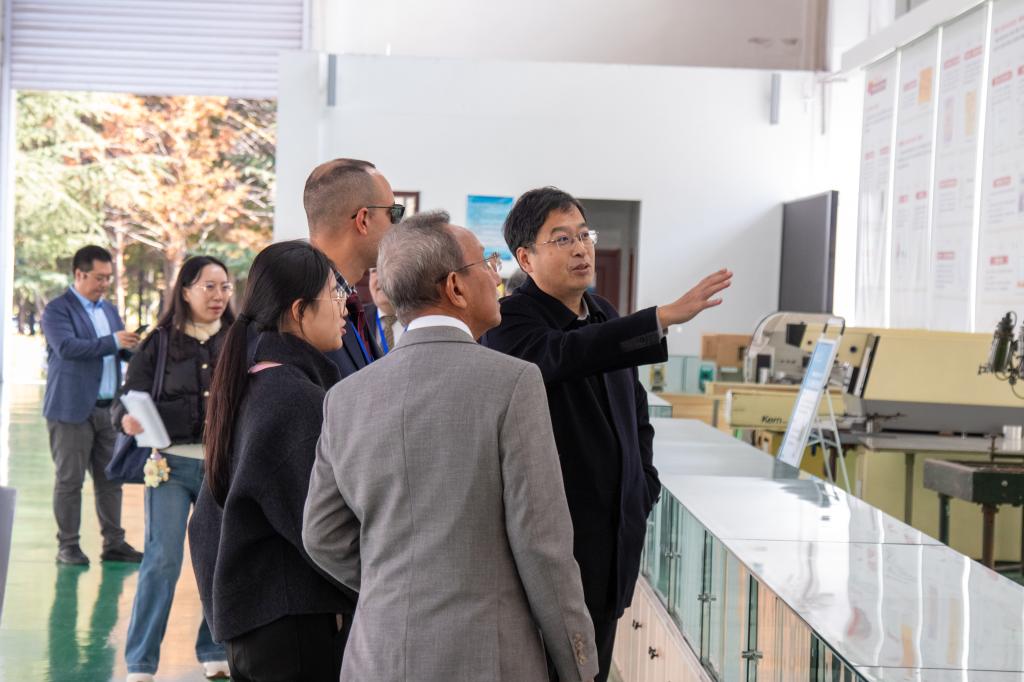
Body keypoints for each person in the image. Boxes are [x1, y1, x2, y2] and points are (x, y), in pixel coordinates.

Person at [302, 211, 599, 682]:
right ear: (456, 287)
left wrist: (395, 584)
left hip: (377, 654)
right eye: (488, 265)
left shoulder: (346, 397)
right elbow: (543, 547)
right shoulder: (512, 383)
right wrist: (579, 665)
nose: (497, 278)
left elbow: (321, 533)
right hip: (487, 655)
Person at [482, 187, 733, 682]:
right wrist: (659, 318)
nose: (581, 249)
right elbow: (563, 355)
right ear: (526, 258)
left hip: (613, 546)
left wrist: (643, 485)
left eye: (584, 235)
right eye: (562, 239)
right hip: (550, 555)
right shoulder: (510, 322)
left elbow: (636, 413)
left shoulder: (604, 314)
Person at [188, 240, 354, 682]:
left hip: (260, 621)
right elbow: (321, 530)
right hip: (294, 626)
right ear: (299, 311)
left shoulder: (256, 380)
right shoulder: (293, 399)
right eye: (335, 293)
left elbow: (205, 522)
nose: (345, 305)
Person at [111, 256, 234, 682]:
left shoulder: (239, 340)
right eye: (208, 286)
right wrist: (126, 420)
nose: (219, 296)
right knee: (162, 559)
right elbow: (126, 397)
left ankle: (215, 648)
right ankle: (140, 662)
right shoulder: (159, 342)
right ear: (185, 290)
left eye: (224, 287)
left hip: (221, 469)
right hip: (168, 467)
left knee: (219, 561)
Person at [41, 245, 143, 566]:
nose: (104, 284)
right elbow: (67, 348)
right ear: (79, 274)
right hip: (70, 410)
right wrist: (114, 341)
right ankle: (68, 546)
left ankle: (115, 543)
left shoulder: (109, 310)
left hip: (107, 411)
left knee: (111, 480)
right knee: (70, 481)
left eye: (108, 278)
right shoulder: (57, 310)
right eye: (99, 278)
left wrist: (133, 347)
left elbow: (116, 351)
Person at [304, 158, 403, 375]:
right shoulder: (302, 310)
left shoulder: (347, 299)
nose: (396, 225)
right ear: (363, 220)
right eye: (394, 213)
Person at [364, 267, 403, 353]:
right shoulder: (357, 319)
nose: (380, 278)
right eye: (374, 271)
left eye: (386, 268)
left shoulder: (421, 317)